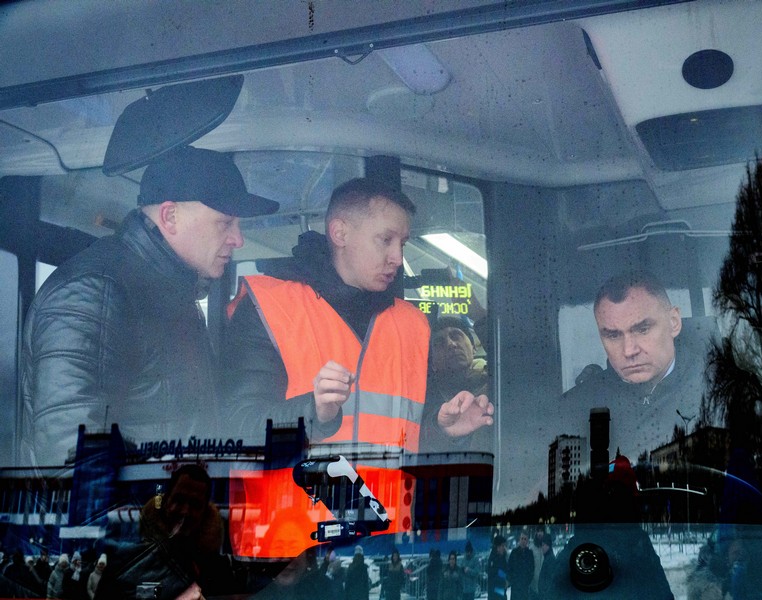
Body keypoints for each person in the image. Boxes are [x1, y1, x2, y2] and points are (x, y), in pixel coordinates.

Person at [220, 178, 493, 555]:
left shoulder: (412, 325)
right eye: (385, 240)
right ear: (340, 233)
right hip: (290, 553)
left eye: (403, 243)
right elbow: (235, 427)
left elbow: (407, 435)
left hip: (385, 547)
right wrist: (312, 412)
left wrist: (444, 427)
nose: (397, 257)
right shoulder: (269, 309)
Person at [19, 146, 278, 467]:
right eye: (224, 223)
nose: (238, 239)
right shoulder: (96, 291)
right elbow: (72, 460)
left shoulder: (169, 294)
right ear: (170, 216)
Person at [562, 270, 708, 466]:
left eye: (643, 329)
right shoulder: (574, 409)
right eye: (613, 335)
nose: (629, 350)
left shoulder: (724, 389)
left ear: (674, 322)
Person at [96, 464, 236, 600]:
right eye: (179, 500)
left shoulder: (219, 571)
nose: (185, 511)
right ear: (165, 502)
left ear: (205, 512)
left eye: (195, 504)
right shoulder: (127, 560)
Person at [419, 317, 492, 453]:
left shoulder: (496, 382)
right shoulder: (422, 397)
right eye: (439, 343)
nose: (451, 344)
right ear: (432, 362)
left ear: (474, 348)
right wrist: (441, 428)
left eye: (456, 336)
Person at [507, 532, 534, 600]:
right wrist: (512, 580)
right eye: (522, 539)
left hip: (525, 587)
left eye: (525, 539)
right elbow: (509, 567)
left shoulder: (529, 553)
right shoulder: (514, 552)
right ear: (519, 540)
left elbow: (531, 569)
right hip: (515, 587)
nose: (523, 541)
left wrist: (527, 581)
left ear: (527, 541)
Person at [486, 535, 508, 600]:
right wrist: (504, 582)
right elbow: (493, 576)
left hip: (501, 591)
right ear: (498, 547)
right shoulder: (493, 559)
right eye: (502, 546)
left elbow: (505, 571)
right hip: (494, 593)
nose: (504, 548)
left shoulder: (503, 557)